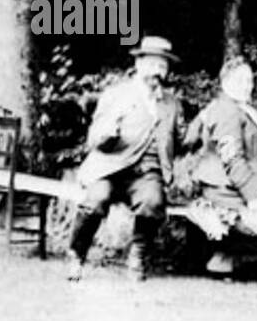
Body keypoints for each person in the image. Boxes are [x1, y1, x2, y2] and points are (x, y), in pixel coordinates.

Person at [66, 36, 185, 282]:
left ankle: (138, 257)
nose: (157, 72)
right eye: (152, 65)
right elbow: (93, 138)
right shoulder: (116, 95)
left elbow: (180, 141)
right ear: (139, 64)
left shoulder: (171, 104)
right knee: (96, 199)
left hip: (146, 174)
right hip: (108, 168)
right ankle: (76, 255)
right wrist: (107, 134)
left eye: (163, 66)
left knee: (153, 202)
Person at [182, 56, 257, 276]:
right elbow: (232, 159)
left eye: (249, 80)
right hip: (226, 187)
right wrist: (253, 196)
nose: (247, 86)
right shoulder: (226, 110)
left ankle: (234, 259)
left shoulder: (239, 108)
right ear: (225, 82)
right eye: (240, 80)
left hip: (239, 182)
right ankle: (227, 258)